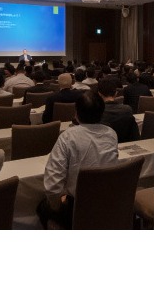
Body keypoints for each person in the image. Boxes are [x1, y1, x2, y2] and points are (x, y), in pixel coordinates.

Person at [37, 90, 119, 229]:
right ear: (102, 113)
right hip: (107, 202)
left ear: (76, 113)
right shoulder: (111, 134)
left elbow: (52, 186)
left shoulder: (68, 137)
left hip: (77, 208)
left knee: (42, 207)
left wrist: (58, 205)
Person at [98, 78, 140, 143]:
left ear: (99, 94)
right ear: (116, 93)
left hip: (104, 146)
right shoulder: (127, 110)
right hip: (125, 145)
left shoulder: (97, 112)